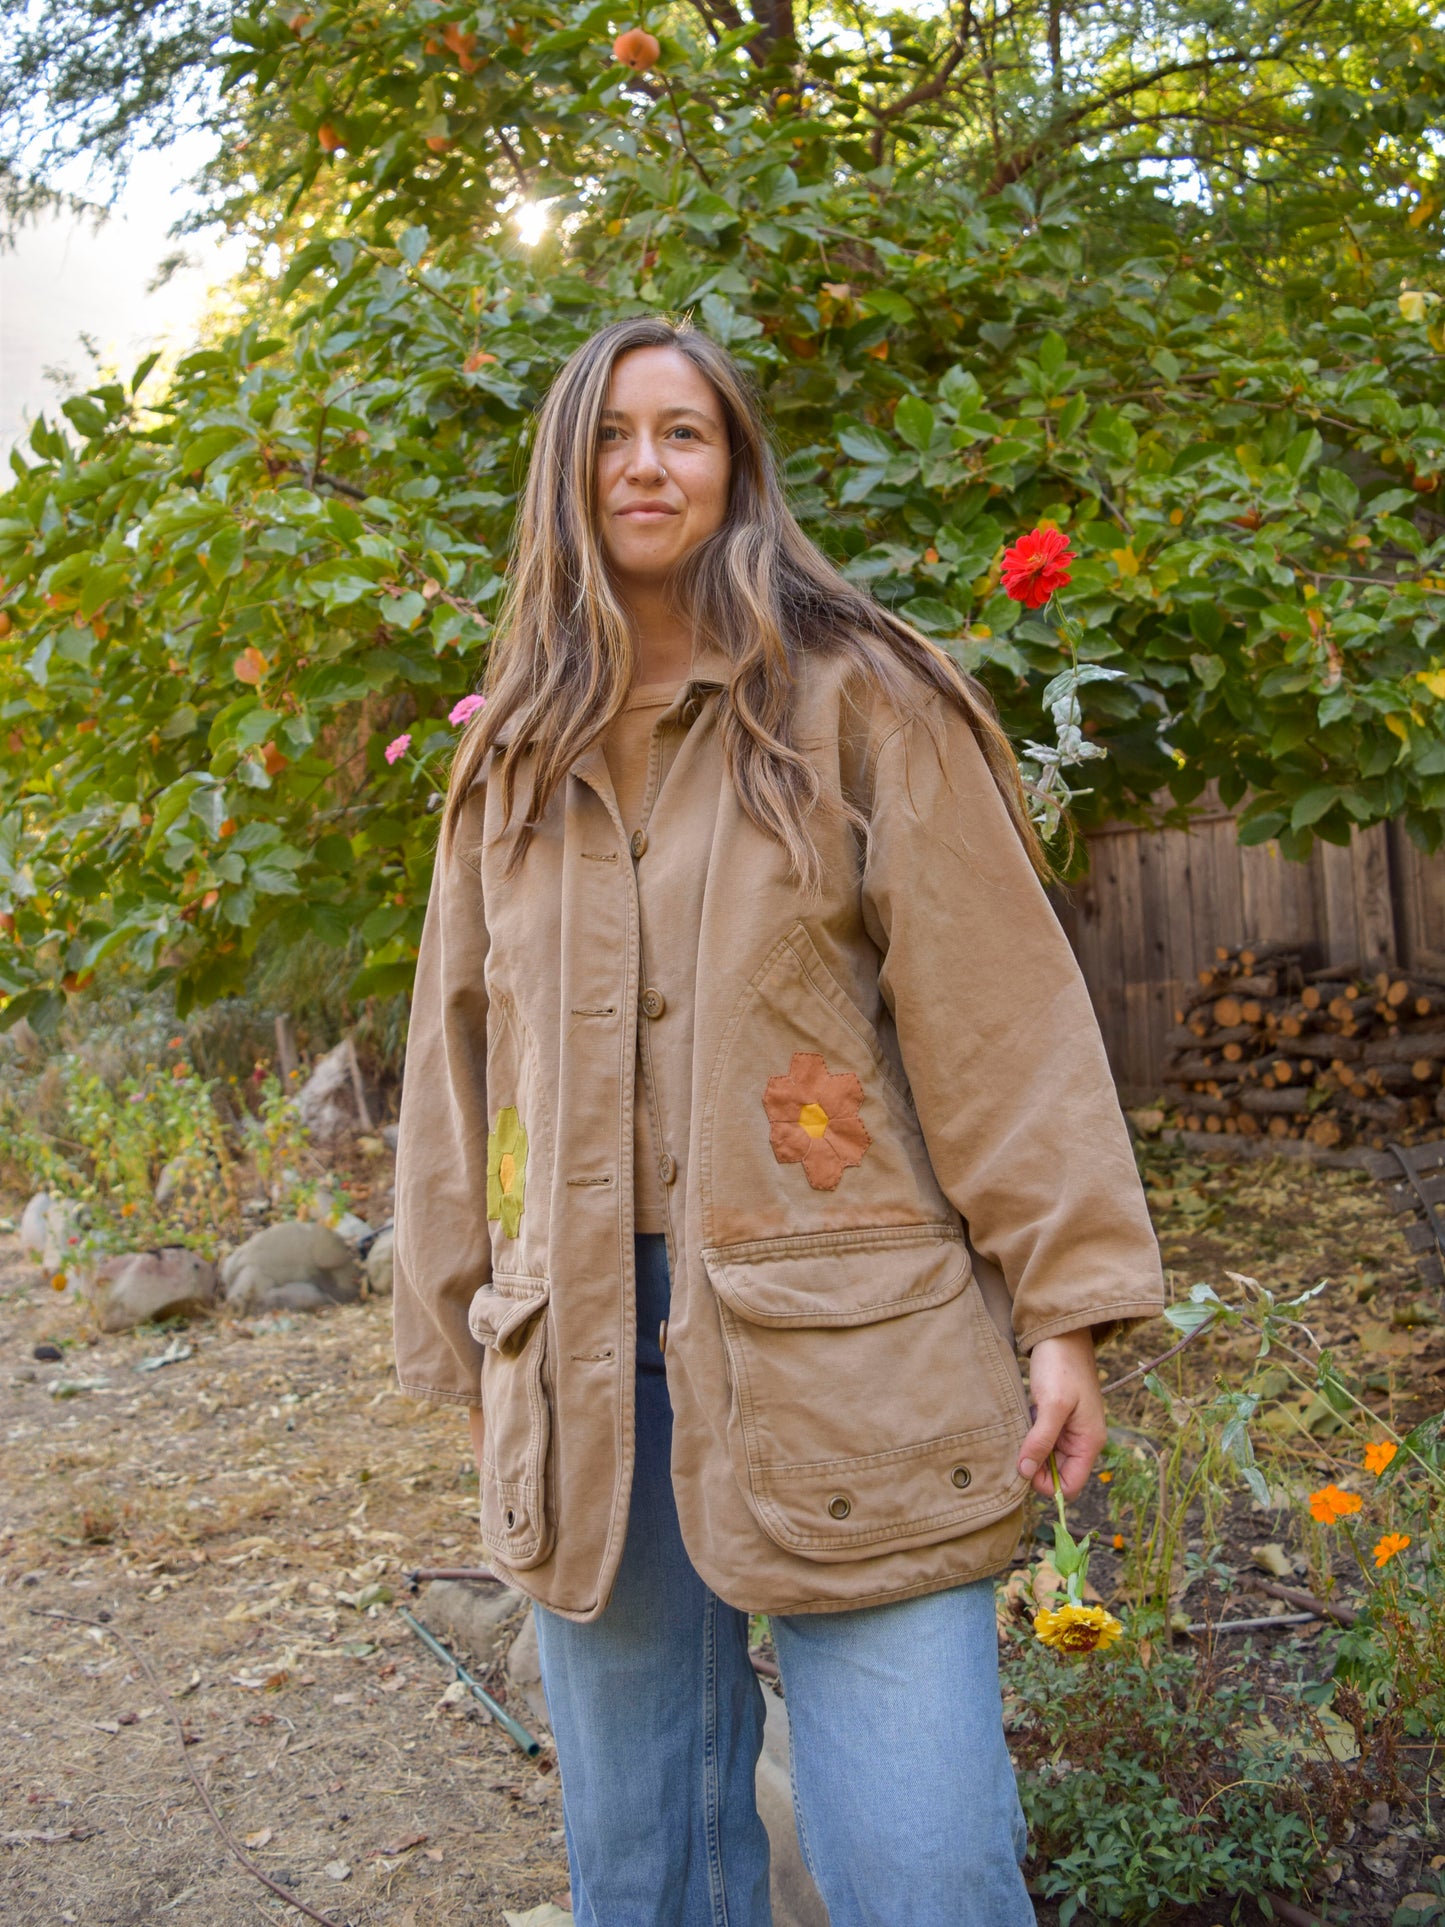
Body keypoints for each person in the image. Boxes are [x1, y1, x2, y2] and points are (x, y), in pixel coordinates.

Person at [392, 315, 1164, 1926]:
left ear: (736, 467)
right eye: (611, 434)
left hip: (856, 1355)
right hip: (592, 1361)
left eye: (683, 431)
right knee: (645, 1872)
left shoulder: (859, 701)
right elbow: (460, 1075)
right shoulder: (512, 763)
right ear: (565, 475)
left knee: (925, 1866)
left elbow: (1001, 1016)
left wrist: (1067, 1309)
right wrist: (466, 1342)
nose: (645, 463)